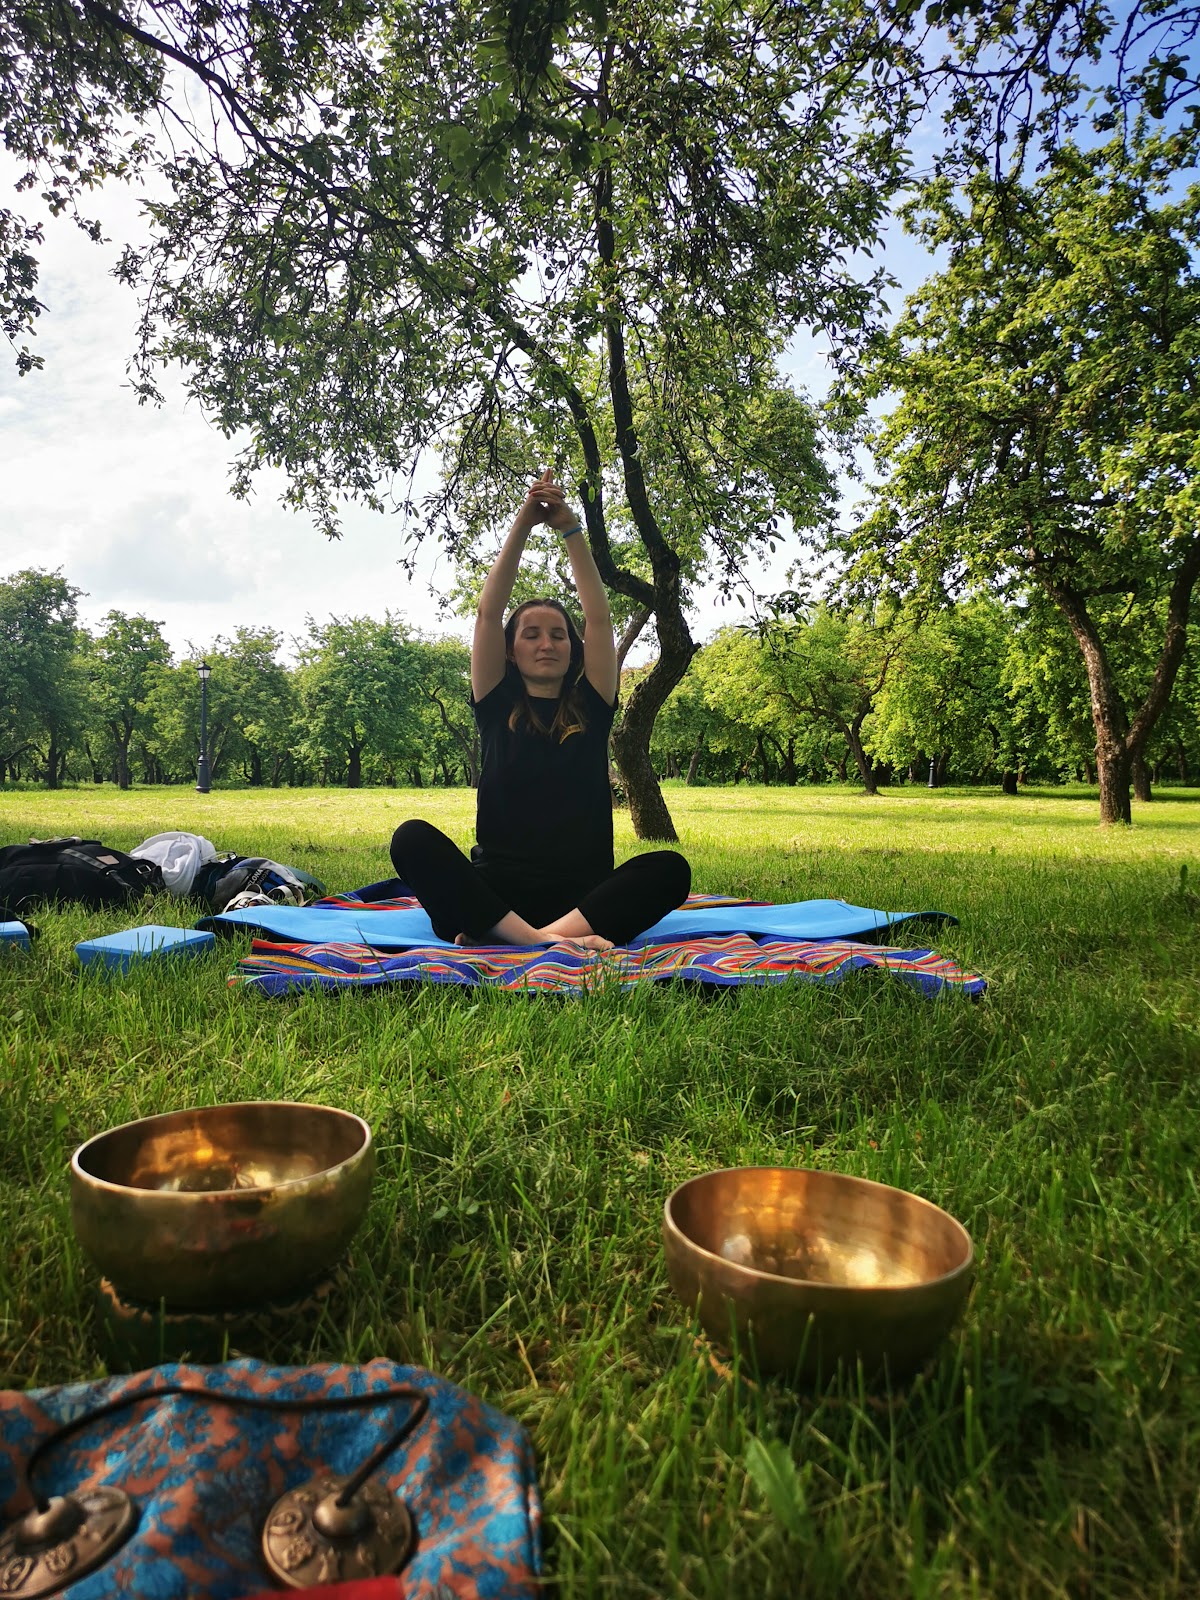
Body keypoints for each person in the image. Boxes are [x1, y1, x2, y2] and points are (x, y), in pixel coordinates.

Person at [391, 470, 691, 949]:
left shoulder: (593, 705)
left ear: (574, 649)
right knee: (411, 839)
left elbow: (599, 618)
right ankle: (540, 940)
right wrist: (523, 524)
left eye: (558, 635)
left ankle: (521, 939)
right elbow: (488, 614)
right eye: (531, 635)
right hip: (496, 893)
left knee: (671, 869)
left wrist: (571, 528)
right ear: (511, 651)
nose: (546, 643)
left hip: (581, 899)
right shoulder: (495, 704)